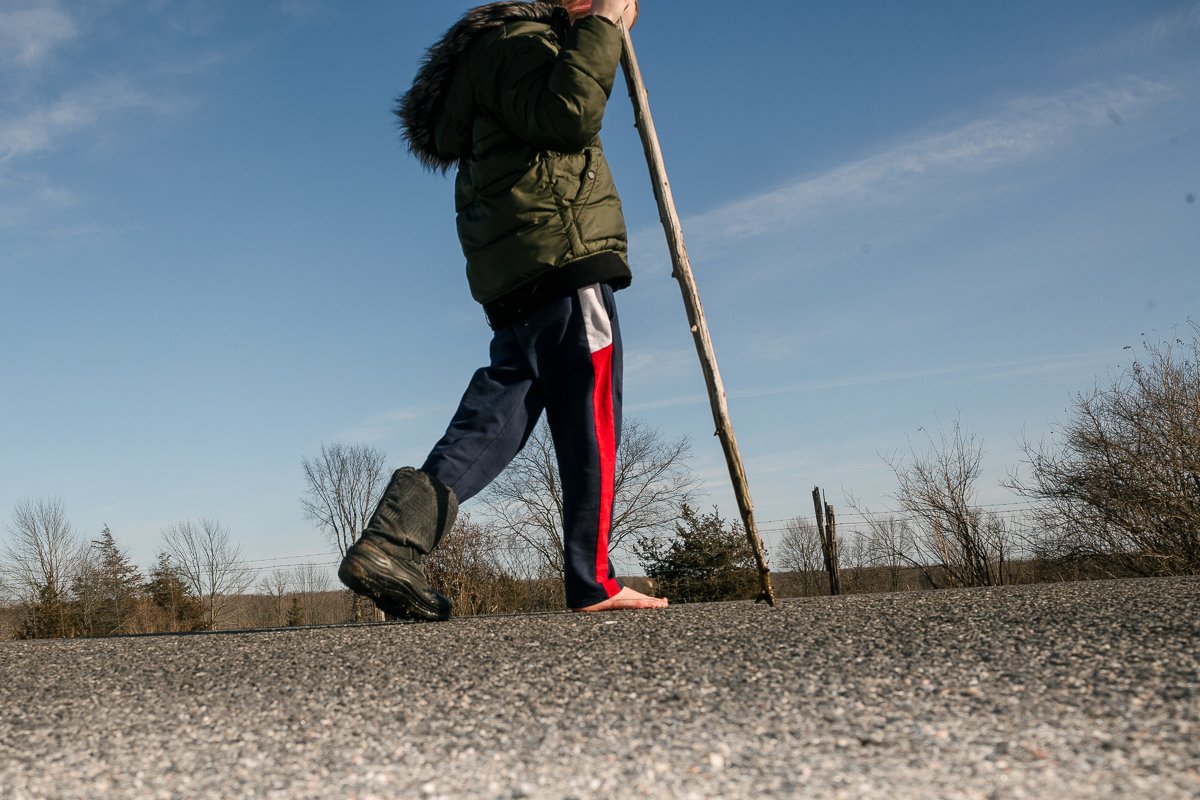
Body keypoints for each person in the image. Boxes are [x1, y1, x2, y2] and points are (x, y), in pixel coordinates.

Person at [338, 0, 666, 621]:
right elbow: (568, 116)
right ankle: (593, 580)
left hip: (516, 267)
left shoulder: (491, 53)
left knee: (498, 415)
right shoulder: (521, 43)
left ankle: (392, 545)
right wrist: (601, 26)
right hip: (561, 253)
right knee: (590, 414)